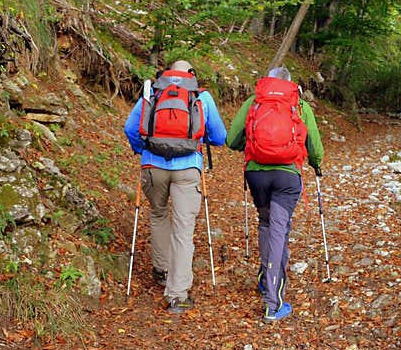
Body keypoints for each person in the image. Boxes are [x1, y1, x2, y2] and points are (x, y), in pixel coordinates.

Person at [124, 60, 227, 313]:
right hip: (187, 168)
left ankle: (161, 269)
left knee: (159, 214)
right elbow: (220, 137)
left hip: (153, 167)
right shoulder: (201, 96)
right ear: (191, 74)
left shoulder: (153, 92)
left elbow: (130, 128)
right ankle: (177, 295)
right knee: (183, 228)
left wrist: (143, 150)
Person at [226, 65, 324, 322]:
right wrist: (316, 164)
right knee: (279, 230)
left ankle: (264, 276)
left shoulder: (254, 102)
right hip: (286, 177)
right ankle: (273, 302)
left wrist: (253, 147)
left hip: (257, 175)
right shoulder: (299, 104)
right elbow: (314, 146)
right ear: (290, 83)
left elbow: (232, 139)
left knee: (266, 223)